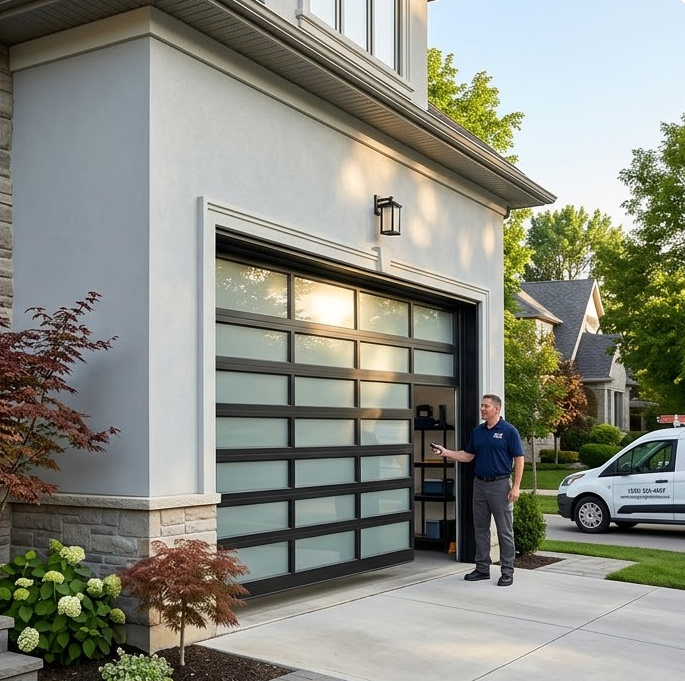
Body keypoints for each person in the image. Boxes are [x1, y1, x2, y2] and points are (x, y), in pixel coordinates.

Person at [431, 394, 524, 586]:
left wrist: (515, 486)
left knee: (504, 531)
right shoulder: (478, 432)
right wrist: (446, 452)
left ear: (496, 409)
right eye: (482, 405)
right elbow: (467, 456)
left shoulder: (509, 431)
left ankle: (507, 572)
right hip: (479, 485)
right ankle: (482, 568)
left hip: (500, 485)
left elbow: (519, 458)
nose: (482, 409)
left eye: (486, 406)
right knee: (480, 528)